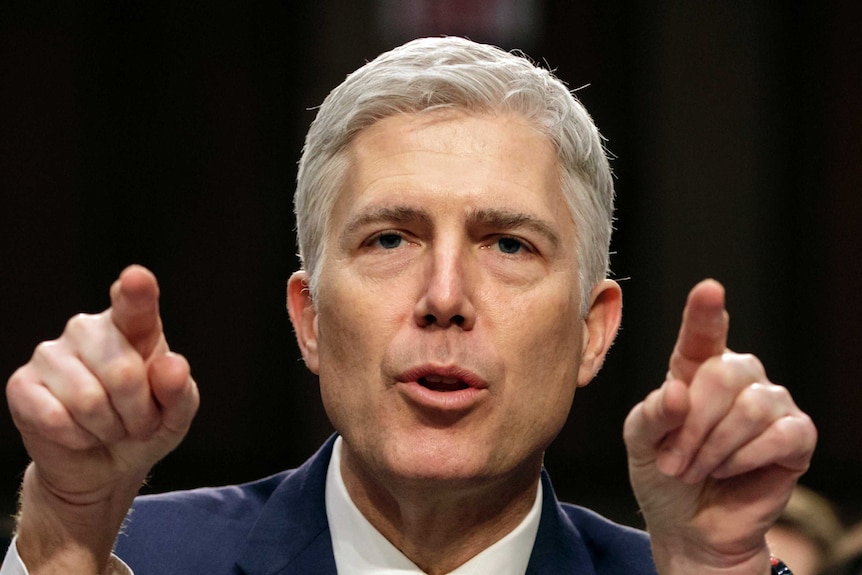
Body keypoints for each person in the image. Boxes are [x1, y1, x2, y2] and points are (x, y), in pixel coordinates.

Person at [2, 36, 816, 574]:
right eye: (390, 239)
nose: (445, 298)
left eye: (509, 244)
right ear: (310, 316)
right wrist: (67, 533)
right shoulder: (133, 556)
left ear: (591, 331)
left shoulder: (695, 570)